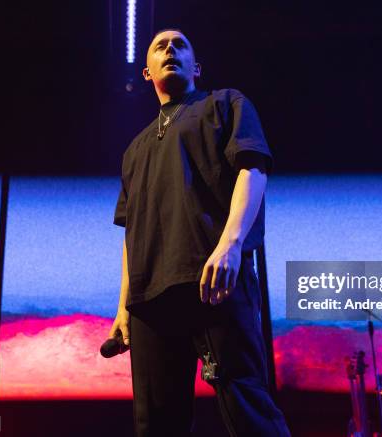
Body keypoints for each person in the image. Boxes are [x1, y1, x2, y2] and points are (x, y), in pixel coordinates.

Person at [107, 29, 290, 437]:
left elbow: (253, 168)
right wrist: (123, 309)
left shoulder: (225, 103)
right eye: (160, 46)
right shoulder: (134, 150)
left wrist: (231, 245)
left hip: (214, 278)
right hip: (149, 298)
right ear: (147, 71)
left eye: (180, 45)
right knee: (156, 424)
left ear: (197, 66)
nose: (170, 49)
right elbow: (130, 232)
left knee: (245, 401)